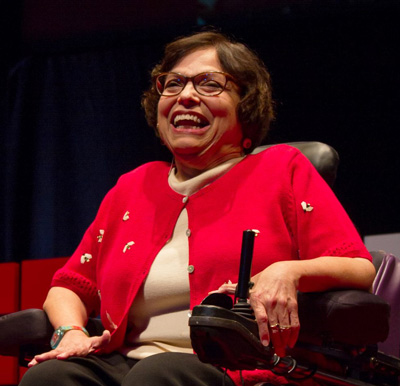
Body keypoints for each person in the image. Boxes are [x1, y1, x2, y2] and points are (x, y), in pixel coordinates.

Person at [19, 30, 376, 386]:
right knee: (50, 377)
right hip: (127, 363)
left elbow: (358, 267)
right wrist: (70, 332)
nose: (185, 96)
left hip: (240, 366)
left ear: (245, 105)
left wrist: (286, 272)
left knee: (159, 374)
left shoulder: (282, 169)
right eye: (172, 83)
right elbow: (71, 286)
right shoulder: (132, 187)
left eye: (209, 84)